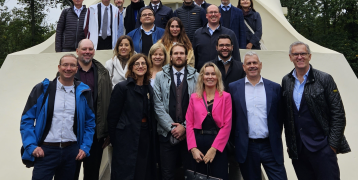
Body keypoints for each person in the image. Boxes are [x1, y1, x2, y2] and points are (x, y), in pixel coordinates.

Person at [281, 41, 351, 180]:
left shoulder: (324, 79)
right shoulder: (286, 81)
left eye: (303, 53)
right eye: (296, 54)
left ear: (309, 56)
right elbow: (287, 115)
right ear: (290, 57)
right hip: (299, 150)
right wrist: (291, 145)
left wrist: (332, 145)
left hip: (323, 148)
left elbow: (338, 113)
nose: (299, 57)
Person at [20, 54, 96, 180]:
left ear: (77, 69)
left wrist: (85, 147)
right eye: (65, 65)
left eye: (72, 65)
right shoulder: (43, 89)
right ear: (59, 67)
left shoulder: (84, 92)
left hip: (71, 153)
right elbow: (26, 119)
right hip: (45, 152)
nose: (68, 68)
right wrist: (31, 146)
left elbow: (90, 123)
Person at [229, 51, 287, 180]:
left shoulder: (275, 88)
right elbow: (231, 117)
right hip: (247, 147)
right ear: (243, 67)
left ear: (260, 65)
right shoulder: (233, 88)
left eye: (255, 62)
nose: (252, 66)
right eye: (248, 63)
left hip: (270, 146)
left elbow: (280, 117)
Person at [108, 54, 157, 180]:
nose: (140, 66)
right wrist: (116, 140)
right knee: (126, 173)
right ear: (131, 67)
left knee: (143, 172)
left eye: (143, 64)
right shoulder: (122, 87)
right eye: (137, 64)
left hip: (145, 136)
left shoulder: (149, 88)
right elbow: (112, 117)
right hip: (126, 139)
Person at [153, 43, 199, 180]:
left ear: (186, 56)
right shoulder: (160, 76)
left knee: (189, 173)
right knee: (167, 173)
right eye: (176, 53)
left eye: (182, 53)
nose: (179, 56)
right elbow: (157, 104)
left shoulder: (196, 76)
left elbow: (198, 105)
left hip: (189, 134)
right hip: (166, 133)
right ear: (171, 57)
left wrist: (184, 127)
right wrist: (171, 128)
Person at [73, 39, 112, 180]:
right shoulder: (67, 71)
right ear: (77, 51)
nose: (87, 52)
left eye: (90, 49)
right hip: (72, 133)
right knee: (70, 174)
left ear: (94, 51)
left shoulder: (103, 73)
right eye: (84, 49)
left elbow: (108, 102)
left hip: (95, 133)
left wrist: (106, 130)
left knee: (92, 174)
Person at [186, 62, 232, 180]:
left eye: (213, 74)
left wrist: (213, 149)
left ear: (217, 77)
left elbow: (227, 125)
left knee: (218, 176)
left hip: (217, 144)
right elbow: (189, 123)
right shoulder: (194, 97)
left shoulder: (226, 97)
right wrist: (193, 148)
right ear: (202, 77)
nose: (210, 77)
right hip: (198, 143)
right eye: (207, 74)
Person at [210, 34, 245, 180]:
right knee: (216, 160)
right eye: (221, 45)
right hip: (213, 121)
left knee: (235, 161)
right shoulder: (209, 66)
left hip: (236, 120)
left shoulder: (240, 67)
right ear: (216, 47)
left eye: (227, 45)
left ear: (232, 47)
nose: (224, 48)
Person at [193, 5, 240, 72]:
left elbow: (236, 57)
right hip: (202, 75)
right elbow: (194, 57)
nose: (213, 14)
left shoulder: (230, 33)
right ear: (206, 15)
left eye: (215, 12)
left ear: (220, 15)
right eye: (211, 12)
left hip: (224, 75)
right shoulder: (198, 34)